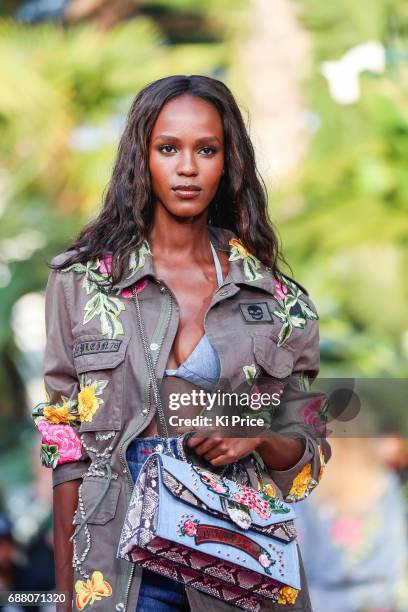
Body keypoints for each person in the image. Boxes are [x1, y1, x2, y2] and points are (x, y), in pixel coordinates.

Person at [31, 75, 331, 612]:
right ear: (141, 157)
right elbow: (66, 447)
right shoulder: (82, 282)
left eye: (206, 149)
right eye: (168, 148)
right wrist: (65, 597)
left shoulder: (278, 298)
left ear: (228, 161)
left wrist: (256, 432)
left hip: (236, 565)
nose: (187, 167)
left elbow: (309, 446)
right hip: (118, 569)